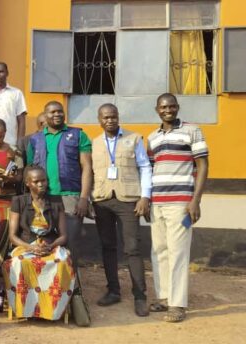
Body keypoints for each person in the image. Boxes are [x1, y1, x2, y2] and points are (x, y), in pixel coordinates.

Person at [147, 93, 209, 323]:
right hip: (157, 204)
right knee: (160, 251)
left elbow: (203, 166)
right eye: (163, 107)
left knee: (178, 253)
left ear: (177, 107)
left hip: (181, 204)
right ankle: (163, 297)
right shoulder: (152, 137)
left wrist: (196, 200)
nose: (168, 110)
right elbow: (151, 170)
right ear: (157, 110)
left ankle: (177, 304)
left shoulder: (192, 130)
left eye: (172, 106)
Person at [91, 103, 152, 317]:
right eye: (106, 117)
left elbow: (145, 167)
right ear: (100, 120)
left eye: (113, 116)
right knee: (108, 246)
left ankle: (140, 296)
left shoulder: (134, 139)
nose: (110, 120)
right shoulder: (95, 143)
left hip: (129, 200)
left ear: (118, 117)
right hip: (102, 200)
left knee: (133, 248)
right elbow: (90, 172)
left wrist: (145, 196)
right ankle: (113, 291)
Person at [4, 165, 75, 321]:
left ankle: (53, 310)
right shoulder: (19, 201)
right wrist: (30, 247)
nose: (41, 184)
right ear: (28, 183)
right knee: (19, 263)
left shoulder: (56, 201)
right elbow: (12, 236)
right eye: (36, 181)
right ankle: (26, 309)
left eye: (44, 180)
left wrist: (50, 246)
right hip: (25, 244)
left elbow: (63, 235)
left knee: (62, 262)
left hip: (50, 244)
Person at [26, 100, 92, 268]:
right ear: (45, 116)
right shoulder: (35, 140)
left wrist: (84, 198)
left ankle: (73, 289)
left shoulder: (78, 135)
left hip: (70, 197)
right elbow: (30, 170)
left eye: (60, 111)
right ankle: (50, 289)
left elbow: (87, 167)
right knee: (44, 242)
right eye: (52, 112)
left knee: (70, 243)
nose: (57, 114)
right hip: (43, 198)